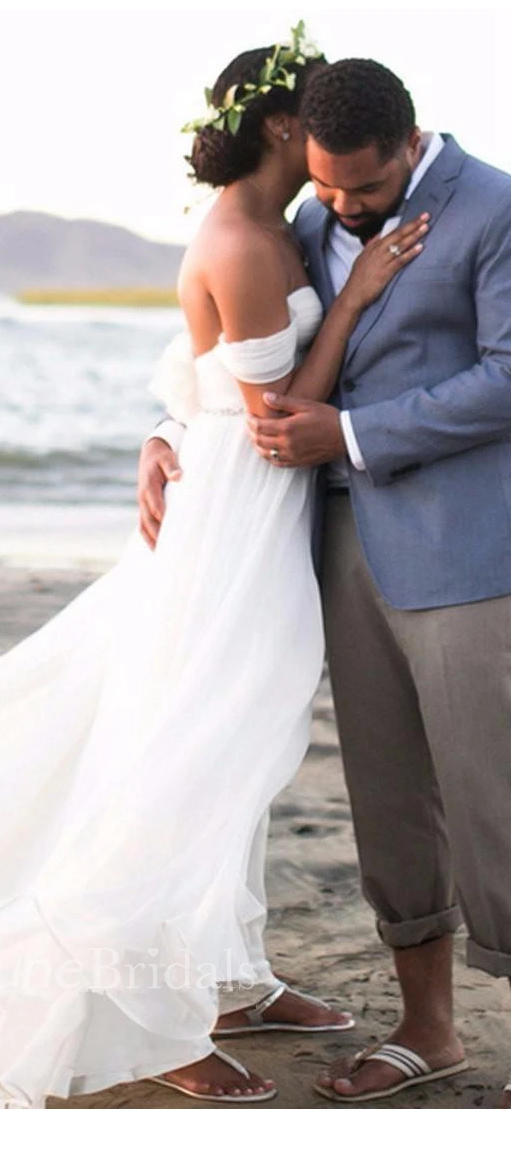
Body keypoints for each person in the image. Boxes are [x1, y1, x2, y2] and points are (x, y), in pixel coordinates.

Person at [0, 32, 423, 1110]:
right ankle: (137, 1022)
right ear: (284, 127)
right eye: (312, 118)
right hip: (234, 526)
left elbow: (183, 371)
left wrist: (166, 426)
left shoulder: (277, 225)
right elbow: (274, 413)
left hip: (247, 511)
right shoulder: (244, 241)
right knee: (186, 755)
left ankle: (223, 978)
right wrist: (352, 299)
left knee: (231, 753)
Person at [141, 56, 511, 1108]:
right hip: (335, 553)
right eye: (327, 185)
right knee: (387, 799)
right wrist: (168, 431)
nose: (340, 204)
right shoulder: (305, 210)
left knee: (493, 793)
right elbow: (230, 348)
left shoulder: (491, 209)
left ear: (410, 140)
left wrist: (347, 433)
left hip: (466, 548)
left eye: (362, 187)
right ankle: (425, 1029)